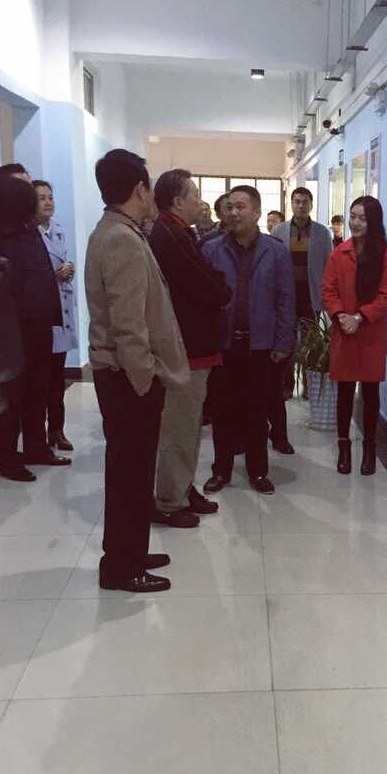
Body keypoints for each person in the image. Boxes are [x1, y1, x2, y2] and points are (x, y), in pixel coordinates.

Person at [85, 149, 189, 594]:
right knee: (129, 474)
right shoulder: (121, 239)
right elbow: (128, 324)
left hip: (124, 374)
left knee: (132, 471)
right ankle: (121, 567)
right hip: (128, 378)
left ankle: (130, 552)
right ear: (140, 189)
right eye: (149, 187)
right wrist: (145, 378)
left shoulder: (115, 230)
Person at [0, 164, 70, 478]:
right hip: (10, 331)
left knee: (38, 390)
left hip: (38, 324)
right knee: (11, 396)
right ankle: (8, 458)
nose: (27, 193)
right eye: (20, 187)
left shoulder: (27, 226)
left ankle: (37, 447)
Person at [148, 170, 232, 528]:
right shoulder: (167, 234)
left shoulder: (179, 231)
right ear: (178, 200)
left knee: (190, 426)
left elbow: (209, 278)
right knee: (178, 428)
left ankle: (183, 487)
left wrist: (218, 284)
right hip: (184, 348)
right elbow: (208, 285)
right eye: (195, 194)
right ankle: (170, 499)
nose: (200, 201)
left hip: (194, 346)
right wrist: (221, 287)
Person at [202, 185, 295, 495]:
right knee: (222, 411)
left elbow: (286, 299)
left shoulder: (276, 251)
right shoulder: (211, 250)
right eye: (229, 207)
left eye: (240, 207)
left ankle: (258, 471)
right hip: (223, 345)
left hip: (261, 346)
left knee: (257, 410)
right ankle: (221, 470)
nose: (233, 212)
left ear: (256, 212)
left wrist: (283, 343)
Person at [322, 195, 387, 477]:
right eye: (353, 216)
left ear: (374, 221)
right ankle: (344, 447)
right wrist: (341, 315)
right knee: (344, 392)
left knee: (369, 393)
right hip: (344, 331)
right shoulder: (339, 253)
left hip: (370, 334)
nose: (355, 223)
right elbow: (328, 289)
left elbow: (386, 296)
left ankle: (369, 448)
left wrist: (360, 317)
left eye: (362, 218)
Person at [270, 187, 333, 447]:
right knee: (285, 343)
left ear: (311, 204)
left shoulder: (322, 233)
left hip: (311, 297)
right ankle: (285, 386)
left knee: (309, 344)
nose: (300, 206)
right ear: (291, 203)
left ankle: (308, 385)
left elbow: (329, 263)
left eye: (305, 202)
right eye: (296, 201)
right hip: (285, 296)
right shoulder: (279, 231)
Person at [34, 180, 77, 452]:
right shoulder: (29, 235)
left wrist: (69, 268)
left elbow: (63, 263)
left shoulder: (57, 229)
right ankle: (38, 436)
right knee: (41, 380)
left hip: (62, 311)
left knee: (57, 379)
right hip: (42, 314)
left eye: (50, 197)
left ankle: (57, 430)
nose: (48, 202)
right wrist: (53, 275)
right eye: (41, 198)